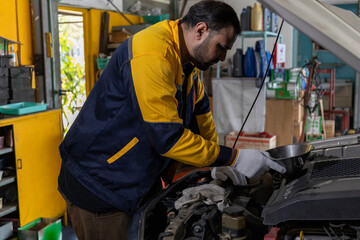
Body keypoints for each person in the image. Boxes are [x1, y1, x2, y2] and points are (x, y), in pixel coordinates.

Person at [58, 1, 286, 239]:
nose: (222, 57)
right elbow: (168, 139)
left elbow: (201, 116)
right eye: (221, 47)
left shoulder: (188, 64)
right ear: (200, 30)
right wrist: (235, 157)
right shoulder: (153, 55)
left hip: (138, 178)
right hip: (100, 183)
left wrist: (220, 162)